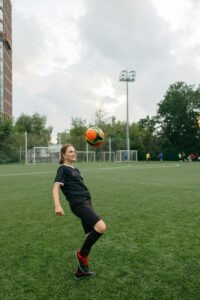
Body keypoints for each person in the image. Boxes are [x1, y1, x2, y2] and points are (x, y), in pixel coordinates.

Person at [52, 144, 106, 280]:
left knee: (89, 235)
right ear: (63, 155)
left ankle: (81, 271)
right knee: (101, 227)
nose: (74, 153)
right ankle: (81, 255)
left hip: (86, 201)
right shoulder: (63, 169)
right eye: (71, 151)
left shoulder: (76, 169)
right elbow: (55, 187)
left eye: (75, 151)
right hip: (78, 203)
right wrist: (57, 205)